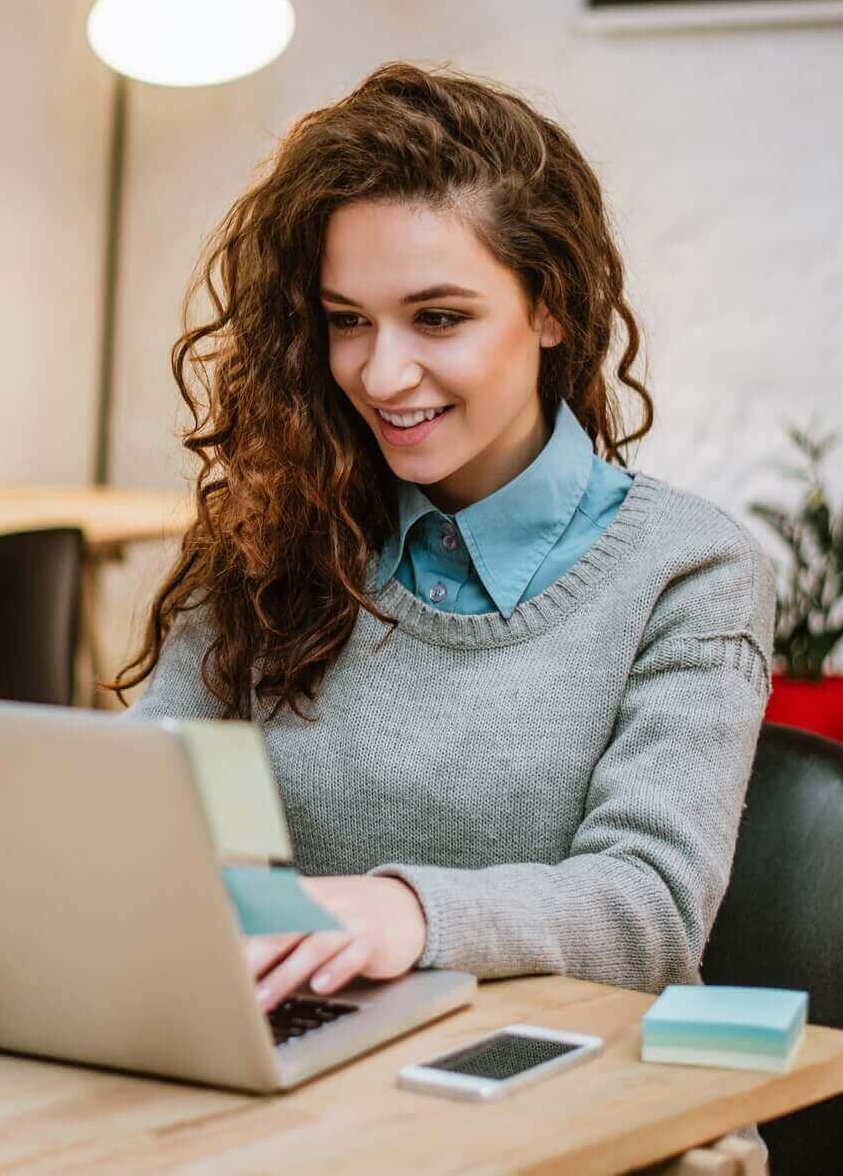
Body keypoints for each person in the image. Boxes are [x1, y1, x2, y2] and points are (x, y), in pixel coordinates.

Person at [115, 61, 777, 1017]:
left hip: (569, 1098)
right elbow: (141, 797)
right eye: (348, 322)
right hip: (311, 1071)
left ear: (551, 307)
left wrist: (404, 910)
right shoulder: (281, 533)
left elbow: (648, 908)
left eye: (438, 317)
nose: (384, 375)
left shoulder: (688, 572)